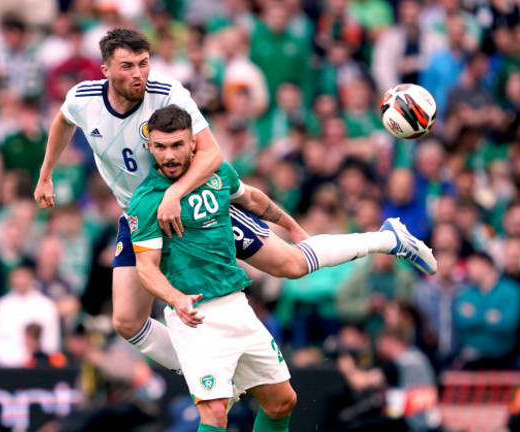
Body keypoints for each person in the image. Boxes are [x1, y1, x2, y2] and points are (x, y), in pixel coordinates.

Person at [34, 28, 437, 373]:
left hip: (196, 207)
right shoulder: (82, 98)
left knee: (293, 265)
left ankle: (389, 239)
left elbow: (211, 156)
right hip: (141, 215)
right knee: (125, 321)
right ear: (105, 70)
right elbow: (63, 122)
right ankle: (210, 368)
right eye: (127, 66)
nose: (139, 73)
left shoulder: (168, 93)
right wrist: (46, 172)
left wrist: (175, 194)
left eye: (144, 62)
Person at [129, 105, 436, 431]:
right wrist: (176, 298)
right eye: (160, 147)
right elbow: (146, 269)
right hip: (195, 317)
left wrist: (290, 224)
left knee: (282, 401)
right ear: (150, 147)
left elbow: (251, 199)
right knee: (214, 414)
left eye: (177, 145)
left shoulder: (216, 174)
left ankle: (388, 238)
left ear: (193, 143)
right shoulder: (147, 200)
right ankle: (387, 239)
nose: (169, 155)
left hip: (236, 306)